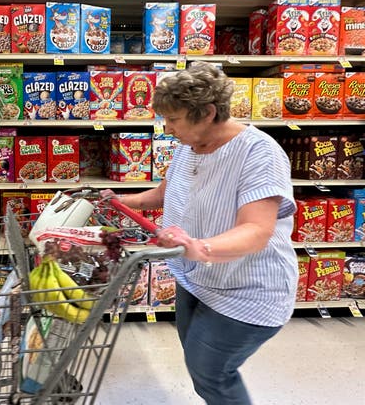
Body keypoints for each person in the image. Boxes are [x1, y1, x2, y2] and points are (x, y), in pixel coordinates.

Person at [111, 61, 297, 405]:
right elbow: (165, 193)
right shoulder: (187, 146)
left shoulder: (259, 152)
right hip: (194, 277)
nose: (167, 128)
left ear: (208, 112)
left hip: (248, 286)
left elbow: (256, 231)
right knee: (201, 368)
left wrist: (199, 247)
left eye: (174, 119)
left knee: (211, 372)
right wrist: (119, 200)